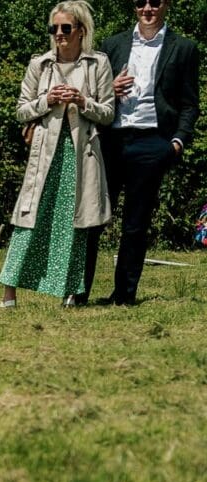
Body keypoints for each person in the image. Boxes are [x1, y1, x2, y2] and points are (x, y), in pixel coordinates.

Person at [82, 0, 199, 305]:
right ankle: (77, 292)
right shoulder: (113, 44)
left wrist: (177, 142)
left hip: (153, 143)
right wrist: (111, 87)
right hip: (112, 140)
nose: (147, 8)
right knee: (92, 217)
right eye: (140, 2)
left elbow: (189, 104)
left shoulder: (184, 48)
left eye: (155, 2)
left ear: (166, 5)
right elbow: (93, 94)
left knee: (136, 224)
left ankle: (124, 296)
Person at [0, 2, 115, 308]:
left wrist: (82, 100)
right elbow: (21, 109)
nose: (59, 34)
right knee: (28, 219)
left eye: (66, 28)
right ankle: (9, 293)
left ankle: (69, 294)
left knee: (73, 223)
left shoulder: (97, 63)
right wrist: (48, 99)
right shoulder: (40, 65)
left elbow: (108, 112)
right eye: (54, 29)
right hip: (44, 153)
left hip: (81, 155)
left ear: (81, 31)